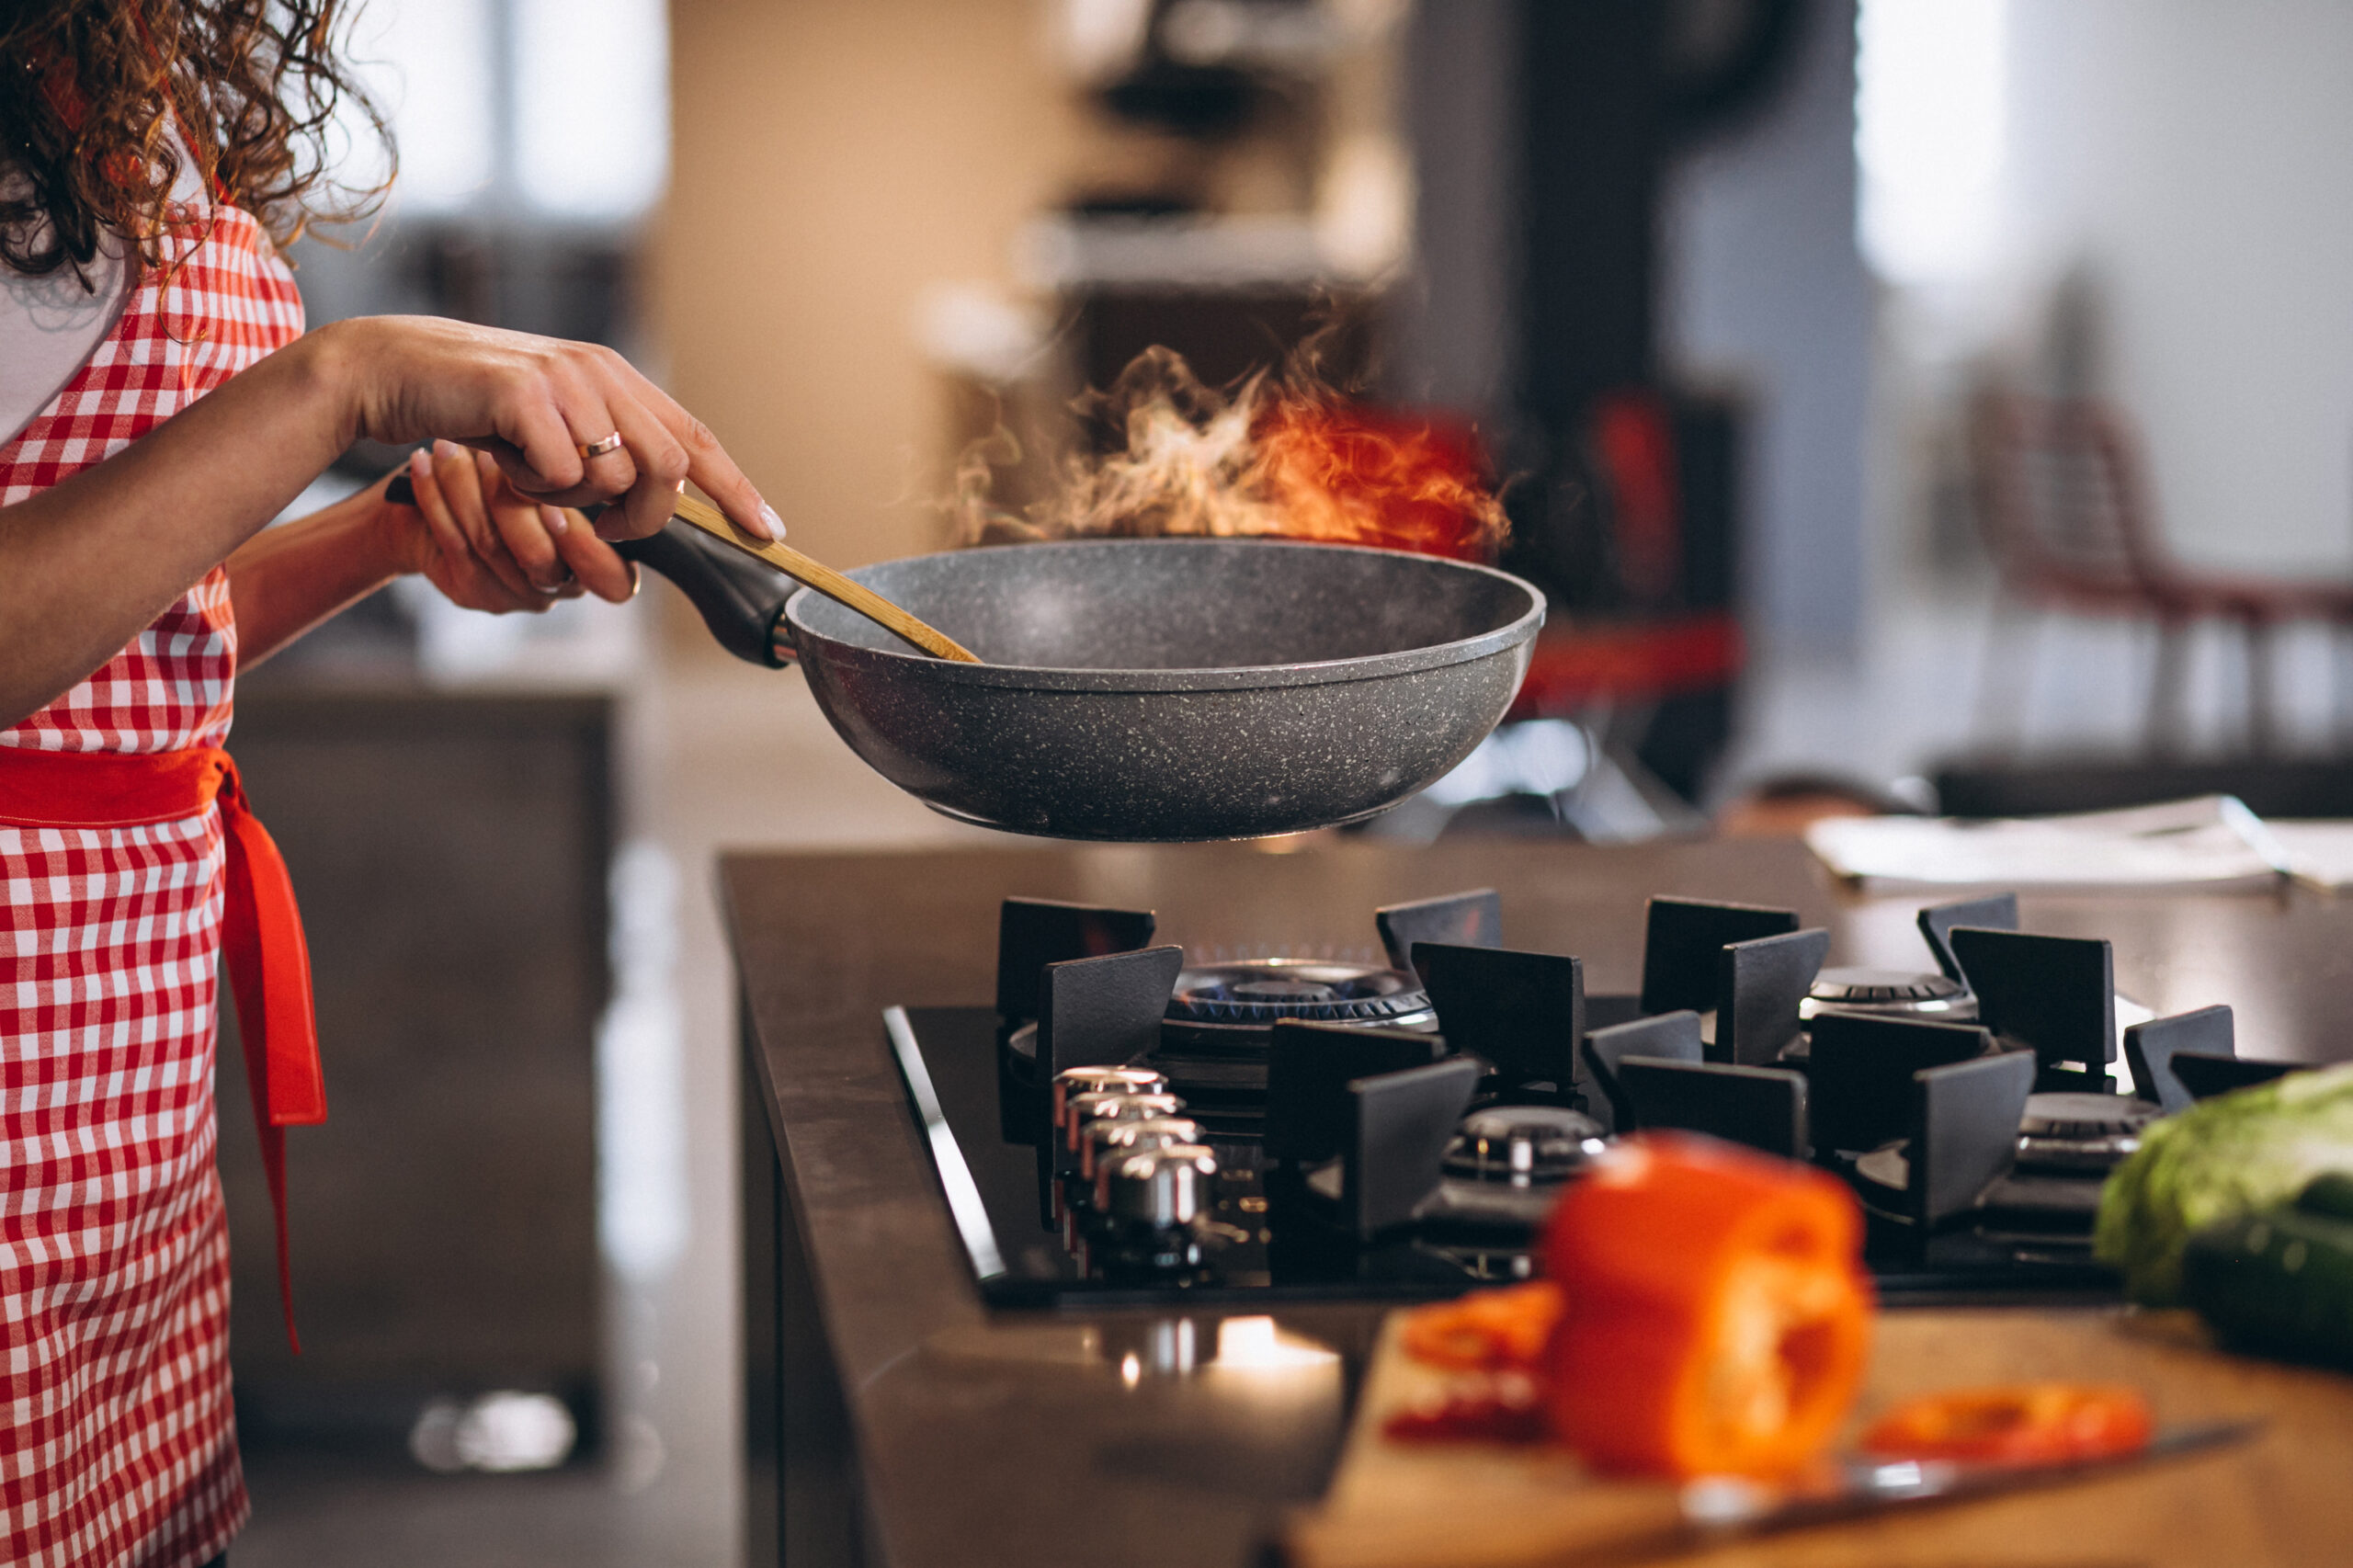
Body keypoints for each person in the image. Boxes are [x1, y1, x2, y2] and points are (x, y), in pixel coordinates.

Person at [0, 6, 779, 1563]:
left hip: (122, 1105)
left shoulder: (124, 91)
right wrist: (338, 389)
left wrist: (387, 535)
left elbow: (119, 645)